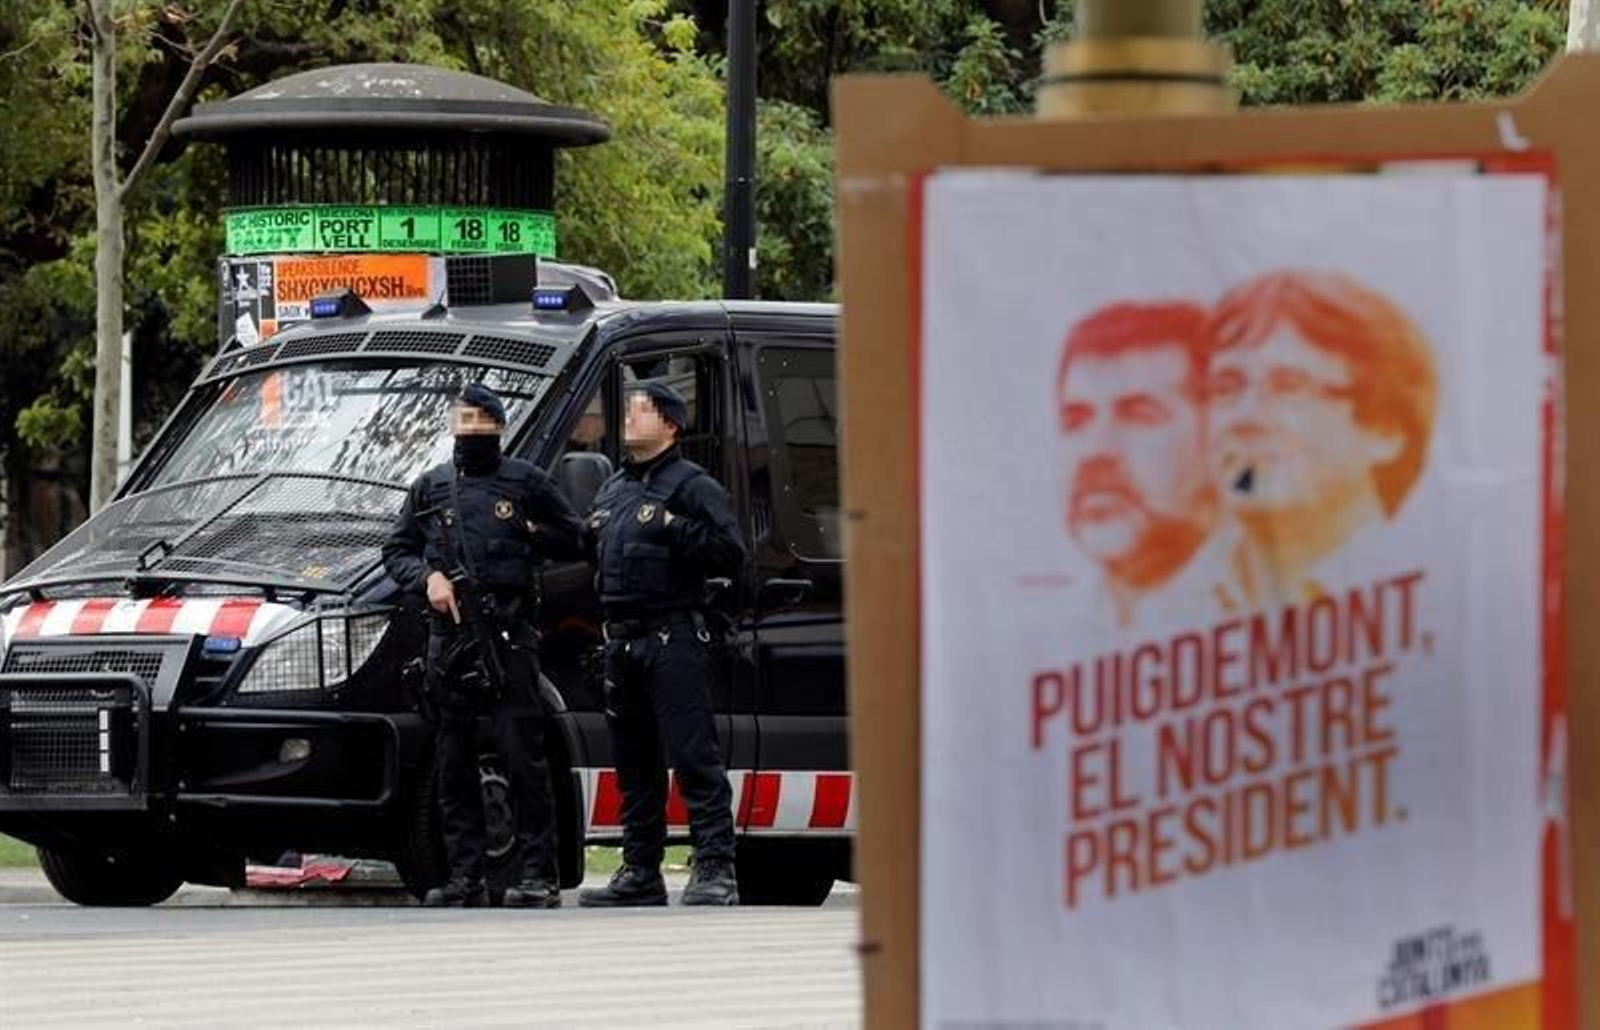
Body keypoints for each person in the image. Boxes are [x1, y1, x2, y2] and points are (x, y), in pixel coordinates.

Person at [382, 383, 583, 908]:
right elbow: (397, 550)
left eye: (478, 418)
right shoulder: (431, 486)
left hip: (508, 638)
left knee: (523, 757)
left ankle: (539, 874)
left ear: (497, 424)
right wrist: (427, 578)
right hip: (449, 643)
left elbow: (575, 538)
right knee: (453, 760)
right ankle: (463, 876)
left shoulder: (525, 482)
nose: (468, 426)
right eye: (461, 417)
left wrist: (529, 534)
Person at [576, 380, 746, 907]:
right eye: (628, 408)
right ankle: (640, 869)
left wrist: (673, 525)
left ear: (670, 424)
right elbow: (594, 551)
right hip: (622, 642)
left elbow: (730, 551)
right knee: (633, 762)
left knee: (693, 754)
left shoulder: (692, 486)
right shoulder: (613, 489)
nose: (628, 416)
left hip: (672, 636)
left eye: (641, 409)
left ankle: (715, 866)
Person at [1204, 269, 1437, 607]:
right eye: (1225, 387)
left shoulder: (1436, 592)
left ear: (1385, 431)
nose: (1246, 416)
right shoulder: (1165, 606)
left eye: (1289, 387)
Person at [1056, 300, 1219, 629]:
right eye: (1076, 421)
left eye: (1139, 416)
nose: (1094, 450)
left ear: (1217, 437)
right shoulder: (1048, 626)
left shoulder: (1278, 610)